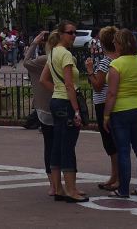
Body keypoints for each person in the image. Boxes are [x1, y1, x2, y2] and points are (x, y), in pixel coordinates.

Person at [104, 28, 137, 199]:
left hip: (120, 109)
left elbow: (111, 93)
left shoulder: (116, 65)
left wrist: (106, 115)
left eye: (116, 43)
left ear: (119, 44)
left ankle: (124, 189)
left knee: (123, 150)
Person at [44, 20, 88, 203]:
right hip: (66, 103)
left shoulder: (53, 51)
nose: (73, 36)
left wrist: (57, 90)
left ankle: (59, 188)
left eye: (75, 32)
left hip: (56, 101)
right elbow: (69, 84)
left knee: (58, 145)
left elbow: (43, 79)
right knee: (68, 146)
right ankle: (70, 190)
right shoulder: (66, 55)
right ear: (61, 34)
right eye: (70, 32)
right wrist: (76, 110)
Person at [23, 31, 58, 199]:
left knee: (49, 145)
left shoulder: (44, 60)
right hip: (62, 105)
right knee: (63, 146)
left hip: (45, 107)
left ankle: (53, 184)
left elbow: (26, 61)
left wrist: (35, 42)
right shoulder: (67, 59)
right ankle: (62, 181)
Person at [88, 25, 120, 192]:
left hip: (103, 103)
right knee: (115, 140)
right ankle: (115, 175)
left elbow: (98, 85)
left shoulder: (105, 61)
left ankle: (117, 176)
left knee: (109, 141)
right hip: (117, 103)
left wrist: (89, 71)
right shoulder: (119, 59)